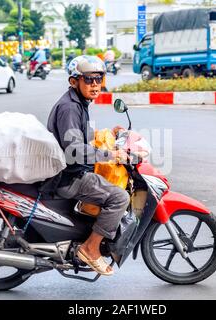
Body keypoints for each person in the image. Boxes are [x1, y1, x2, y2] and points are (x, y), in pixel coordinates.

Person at [47, 55, 130, 276]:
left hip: (71, 170)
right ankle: (90, 248)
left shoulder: (77, 103)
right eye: (88, 79)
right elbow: (74, 149)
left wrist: (107, 134)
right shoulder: (70, 108)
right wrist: (111, 154)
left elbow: (79, 136)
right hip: (69, 176)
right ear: (74, 81)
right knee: (120, 197)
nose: (95, 85)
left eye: (98, 79)